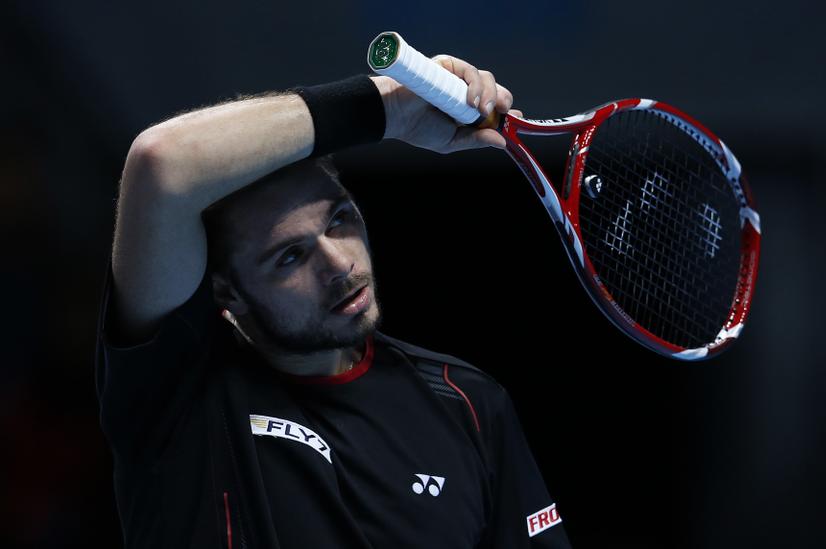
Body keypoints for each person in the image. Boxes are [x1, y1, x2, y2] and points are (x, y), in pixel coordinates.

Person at [95, 53, 573, 548]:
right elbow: (162, 161)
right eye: (290, 256)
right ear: (228, 291)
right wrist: (391, 108)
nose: (340, 264)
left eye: (339, 220)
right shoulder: (180, 393)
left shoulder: (467, 403)